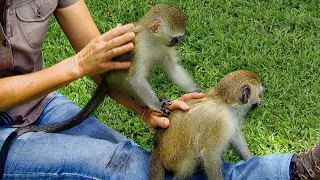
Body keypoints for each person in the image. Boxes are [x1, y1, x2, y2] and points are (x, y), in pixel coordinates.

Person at [0, 0, 318, 179]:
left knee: (158, 161)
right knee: (123, 165)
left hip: (40, 105)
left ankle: (295, 171)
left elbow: (106, 62)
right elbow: (87, 62)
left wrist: (149, 109)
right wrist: (77, 66)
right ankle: (294, 172)